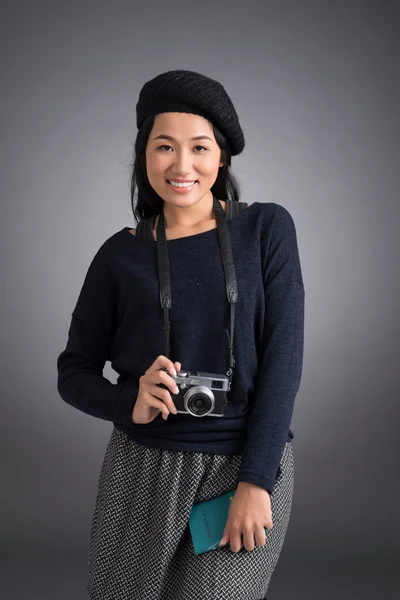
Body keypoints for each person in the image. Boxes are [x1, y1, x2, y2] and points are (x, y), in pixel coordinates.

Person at [56, 69, 305, 600]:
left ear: (222, 157)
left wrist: (258, 481)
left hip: (243, 464)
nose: (182, 165)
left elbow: (284, 360)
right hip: (140, 470)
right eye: (164, 146)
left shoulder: (266, 230)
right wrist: (131, 401)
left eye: (199, 147)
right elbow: (72, 372)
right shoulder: (119, 255)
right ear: (144, 154)